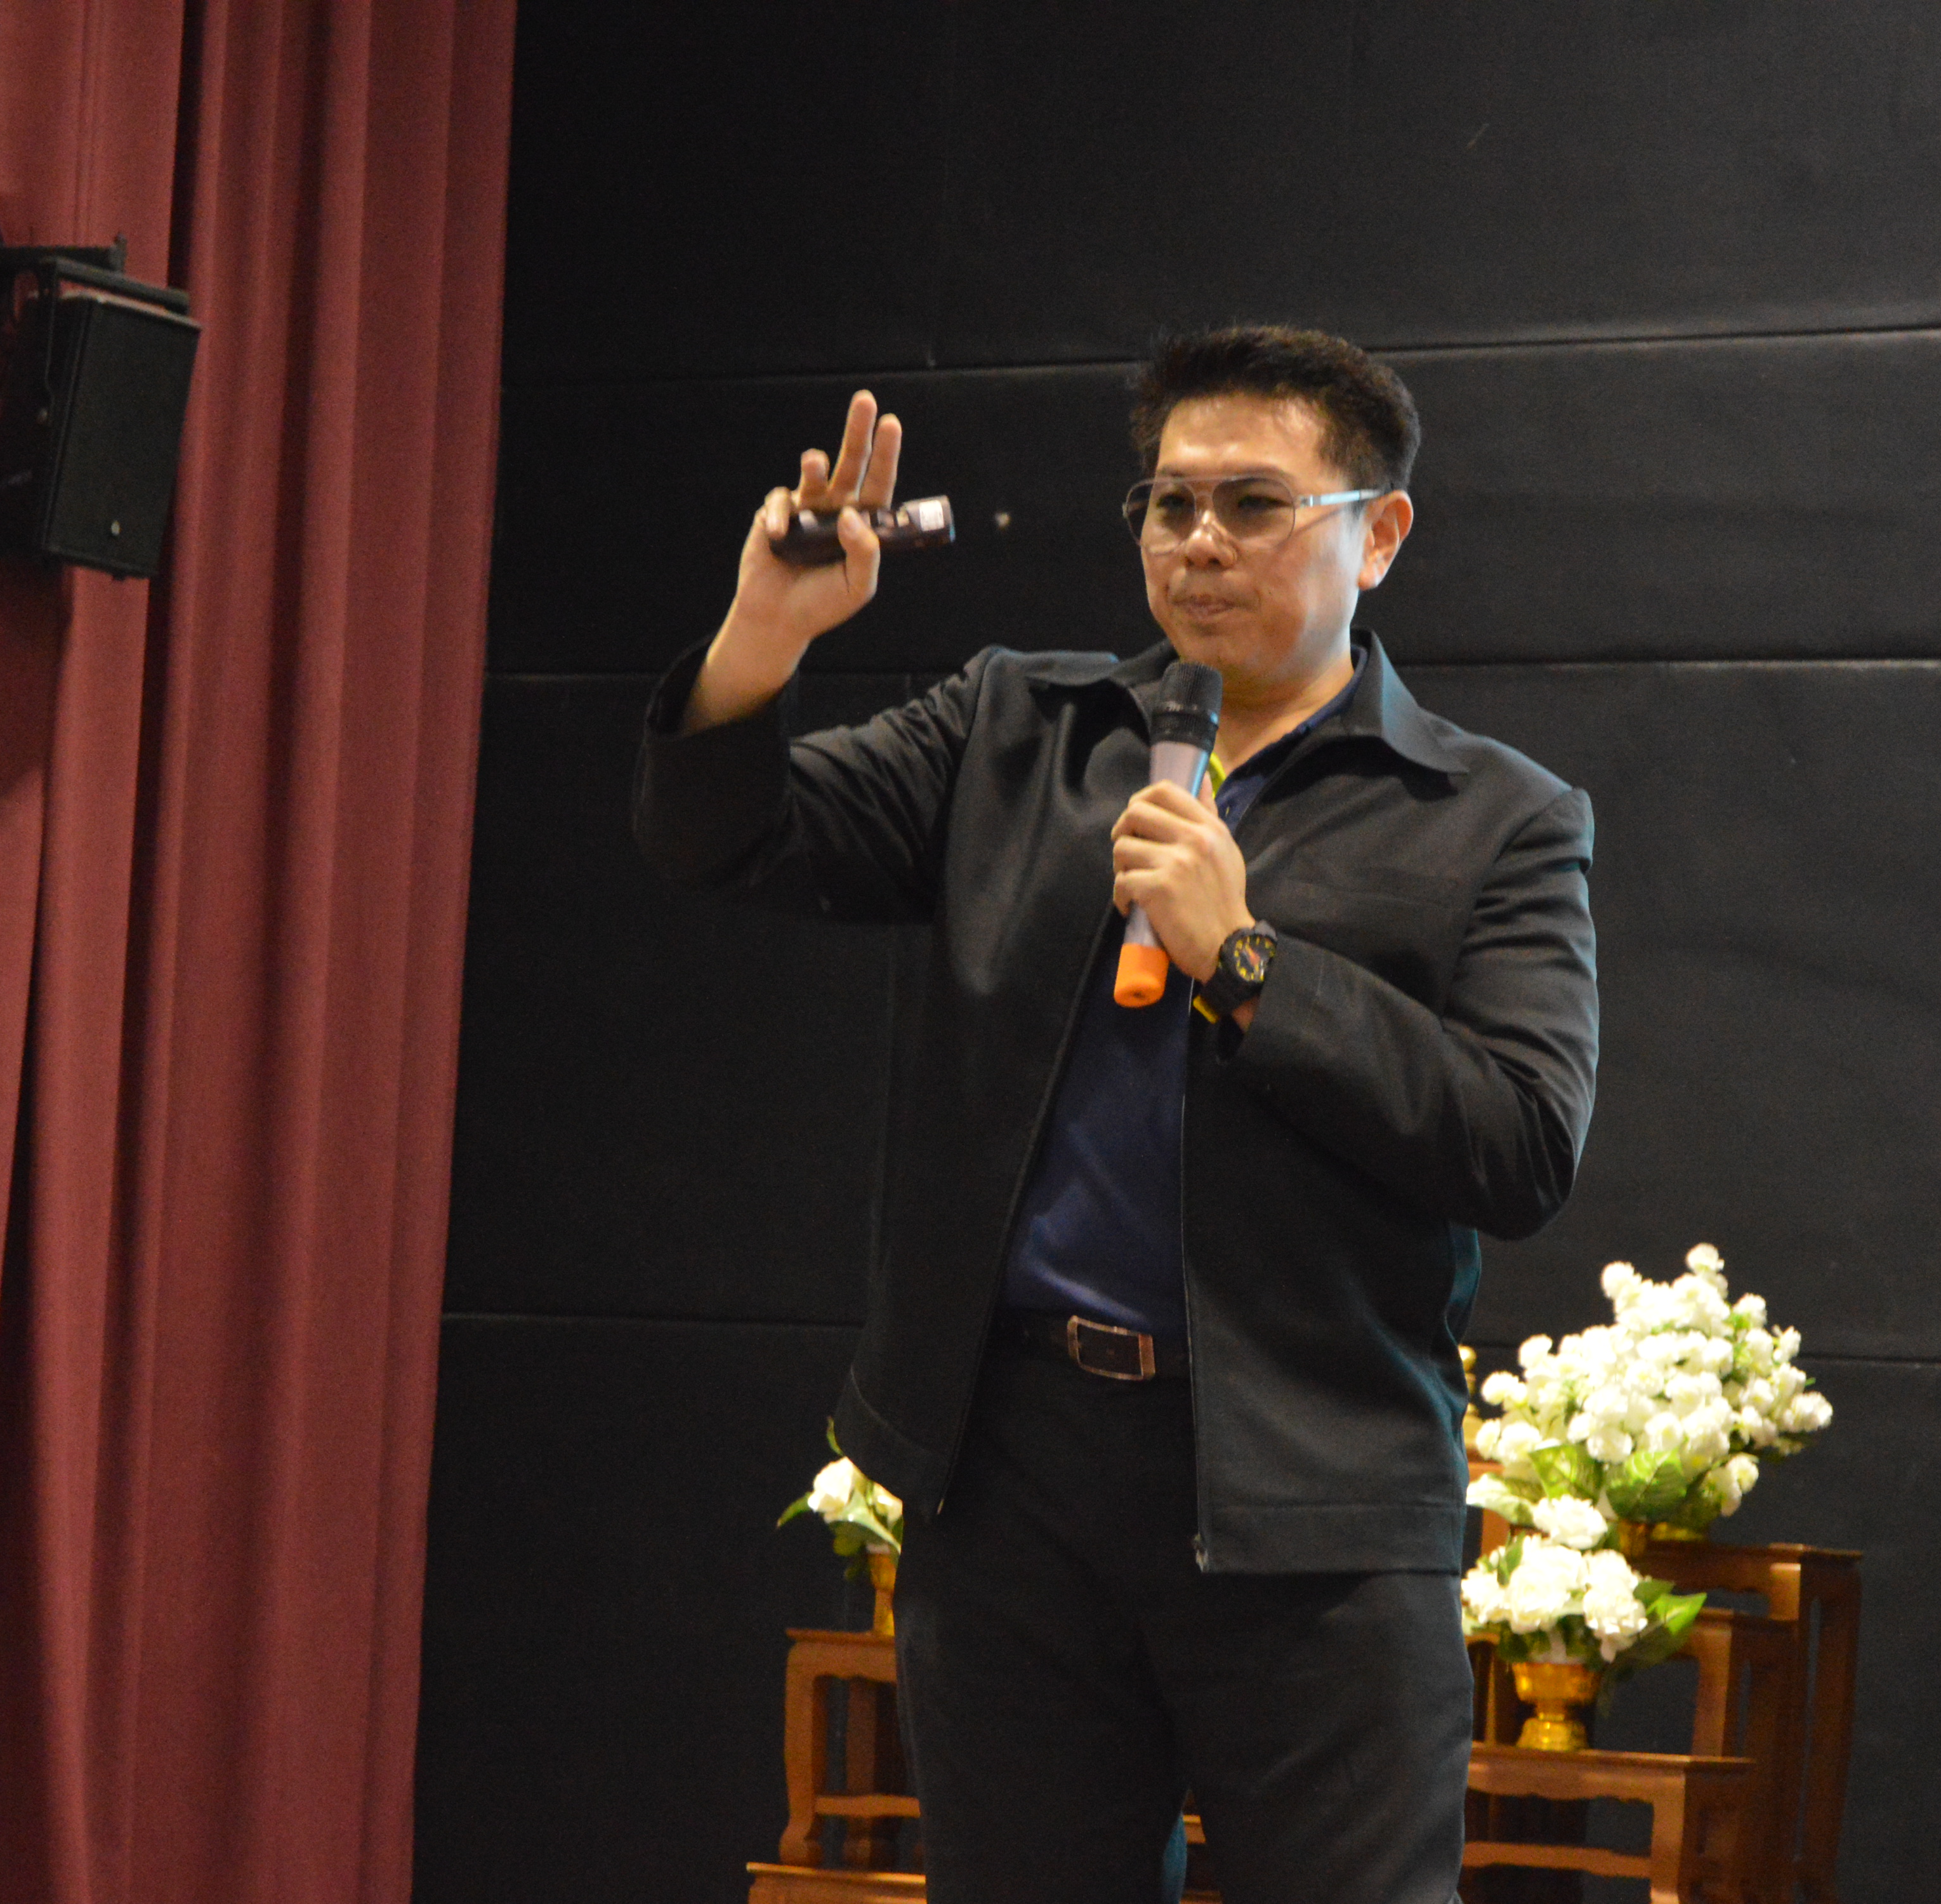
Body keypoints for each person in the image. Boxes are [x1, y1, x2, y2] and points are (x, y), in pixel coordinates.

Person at [635, 326, 1598, 1903]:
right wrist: (764, 633)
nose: (1202, 541)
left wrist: (1248, 962)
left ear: (1380, 534)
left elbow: (1521, 1141)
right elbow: (726, 842)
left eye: (1256, 504)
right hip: (1015, 1477)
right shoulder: (1018, 729)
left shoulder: (1494, 818)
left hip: (1314, 1492)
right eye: (1171, 504)